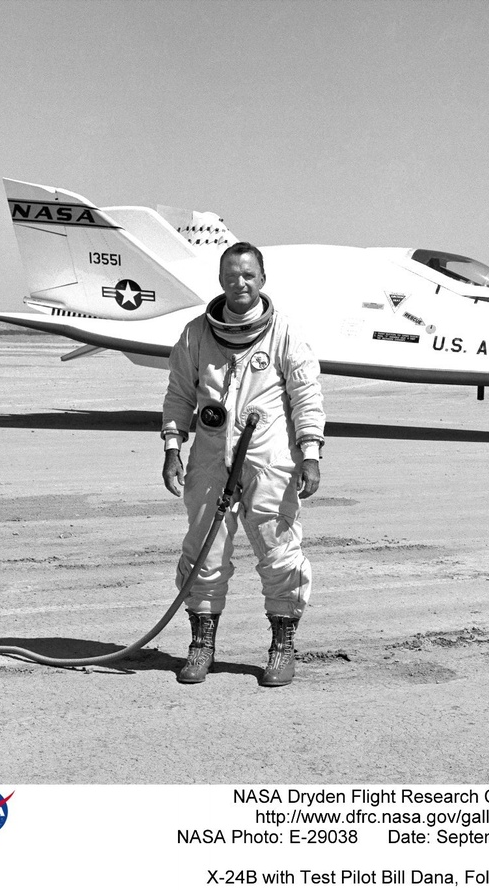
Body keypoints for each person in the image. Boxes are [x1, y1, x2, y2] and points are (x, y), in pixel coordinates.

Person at [161, 242, 325, 687]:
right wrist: (173, 446)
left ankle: (282, 645)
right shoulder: (196, 334)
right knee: (203, 550)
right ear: (221, 280)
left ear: (262, 280)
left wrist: (309, 453)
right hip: (211, 457)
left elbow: (306, 395)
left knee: (278, 550)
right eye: (231, 275)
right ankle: (202, 644)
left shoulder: (284, 333)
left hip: (269, 458)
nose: (240, 283)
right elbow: (179, 393)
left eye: (248, 275)